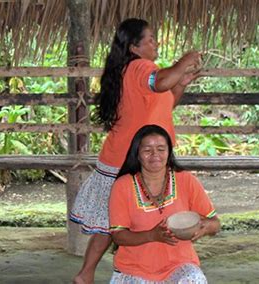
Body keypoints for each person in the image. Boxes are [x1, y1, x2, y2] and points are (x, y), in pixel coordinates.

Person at [69, 18, 202, 283]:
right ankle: (92, 273)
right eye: (150, 39)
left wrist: (181, 82)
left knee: (112, 223)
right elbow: (161, 82)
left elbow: (164, 103)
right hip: (127, 160)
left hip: (129, 156)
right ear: (134, 47)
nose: (156, 44)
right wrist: (186, 59)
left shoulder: (135, 72)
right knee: (114, 222)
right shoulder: (141, 67)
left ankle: (87, 274)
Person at [108, 124, 220, 282]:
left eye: (161, 149)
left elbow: (216, 223)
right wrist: (151, 235)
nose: (155, 155)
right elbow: (118, 236)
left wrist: (206, 228)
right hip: (134, 269)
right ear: (137, 154)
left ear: (169, 152)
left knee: (193, 279)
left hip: (179, 265)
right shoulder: (123, 185)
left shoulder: (186, 180)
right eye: (147, 150)